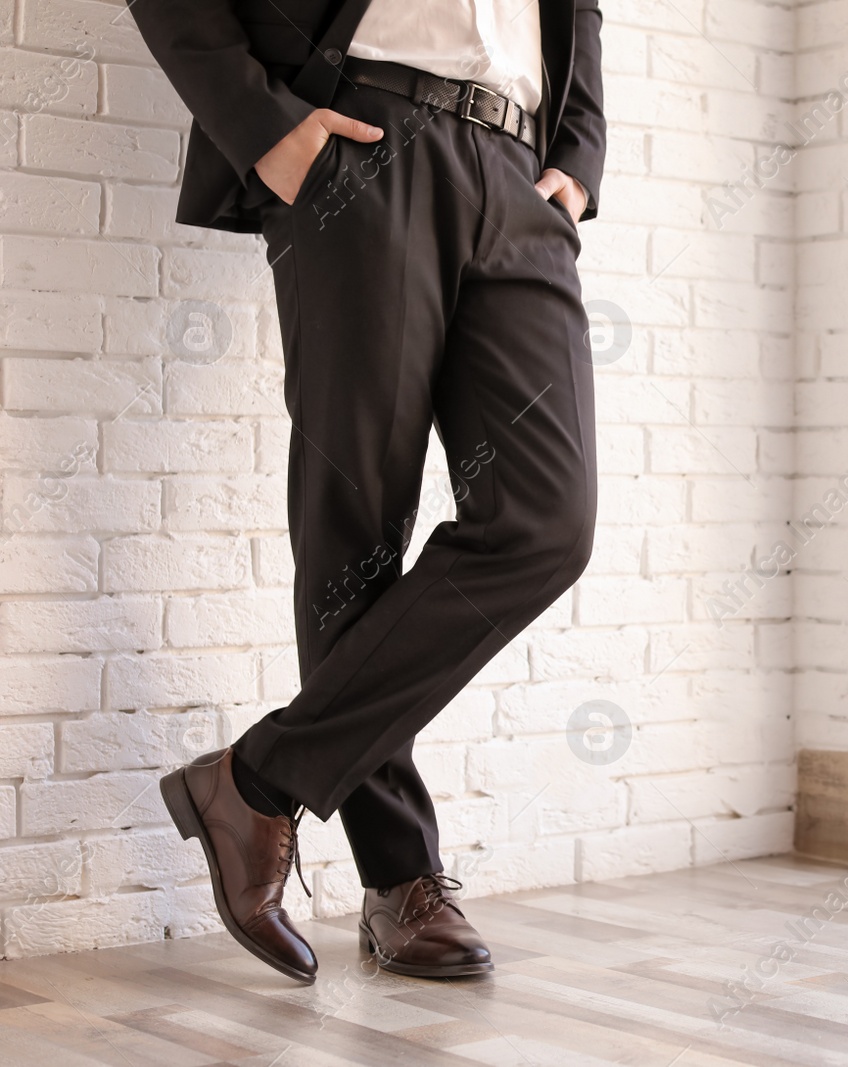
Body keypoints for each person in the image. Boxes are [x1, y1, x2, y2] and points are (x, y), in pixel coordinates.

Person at [127, 0, 606, 983]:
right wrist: (264, 129)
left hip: (520, 170)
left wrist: (582, 151)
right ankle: (399, 878)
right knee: (357, 532)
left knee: (545, 524)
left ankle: (254, 779)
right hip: (363, 137)